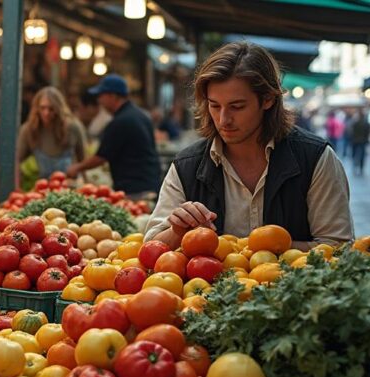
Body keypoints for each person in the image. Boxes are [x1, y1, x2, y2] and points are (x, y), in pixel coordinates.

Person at [145, 41, 353, 250]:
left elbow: (338, 248)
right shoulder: (187, 165)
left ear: (268, 99)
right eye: (214, 106)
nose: (223, 119)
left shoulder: (315, 158)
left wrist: (266, 249)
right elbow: (150, 246)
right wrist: (177, 232)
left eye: (237, 106)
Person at [67, 74, 161, 198]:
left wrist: (77, 167)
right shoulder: (141, 115)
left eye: (101, 96)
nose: (99, 101)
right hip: (150, 183)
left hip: (134, 189)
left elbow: (101, 157)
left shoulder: (120, 122)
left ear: (113, 96)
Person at [16, 87, 87, 186]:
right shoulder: (29, 130)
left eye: (51, 109)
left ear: (59, 109)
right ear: (37, 109)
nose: (46, 113)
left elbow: (83, 160)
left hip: (69, 186)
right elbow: (17, 160)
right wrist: (17, 186)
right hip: (44, 186)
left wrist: (87, 185)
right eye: (43, 108)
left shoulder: (73, 127)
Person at [349, 110, 370, 177]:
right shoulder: (366, 124)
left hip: (355, 141)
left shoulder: (355, 123)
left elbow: (351, 132)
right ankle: (361, 169)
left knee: (354, 154)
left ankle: (354, 167)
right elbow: (368, 133)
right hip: (363, 141)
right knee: (362, 156)